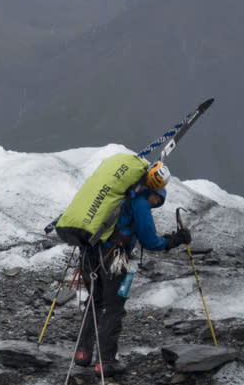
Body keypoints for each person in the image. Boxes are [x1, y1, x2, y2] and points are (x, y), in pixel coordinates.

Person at [51, 156, 190, 370]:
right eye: (157, 199)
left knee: (94, 301)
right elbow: (150, 241)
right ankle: (106, 361)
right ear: (154, 192)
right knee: (114, 308)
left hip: (88, 253)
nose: (155, 204)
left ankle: (83, 353)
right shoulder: (140, 203)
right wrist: (175, 240)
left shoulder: (119, 198)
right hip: (114, 260)